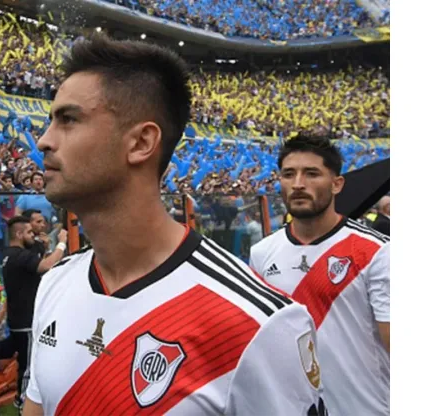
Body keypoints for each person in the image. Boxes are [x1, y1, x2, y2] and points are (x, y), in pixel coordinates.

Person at [23, 36, 325, 416]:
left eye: (68, 120)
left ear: (142, 142)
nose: (43, 141)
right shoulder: (55, 283)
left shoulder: (258, 322)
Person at [250, 136, 389, 415]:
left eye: (311, 173)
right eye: (289, 174)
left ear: (337, 184)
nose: (298, 184)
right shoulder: (261, 253)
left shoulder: (378, 252)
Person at [1, 216, 67, 408]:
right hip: (26, 321)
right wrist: (61, 244)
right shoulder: (18, 255)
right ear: (19, 234)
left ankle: (22, 400)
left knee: (29, 363)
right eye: (30, 232)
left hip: (20, 319)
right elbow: (46, 266)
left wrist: (45, 248)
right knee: (29, 366)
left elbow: (36, 269)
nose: (34, 235)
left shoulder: (10, 255)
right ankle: (22, 402)